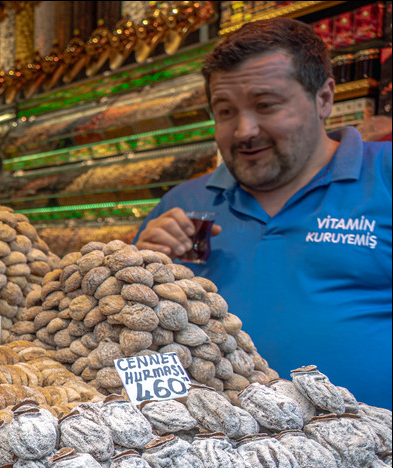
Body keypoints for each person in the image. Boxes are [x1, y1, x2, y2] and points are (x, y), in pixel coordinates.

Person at [135, 18, 391, 408]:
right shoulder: (182, 202)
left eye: (266, 105)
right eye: (225, 112)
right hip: (215, 456)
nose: (243, 131)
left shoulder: (385, 176)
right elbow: (130, 346)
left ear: (324, 99)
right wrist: (147, 266)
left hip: (370, 457)